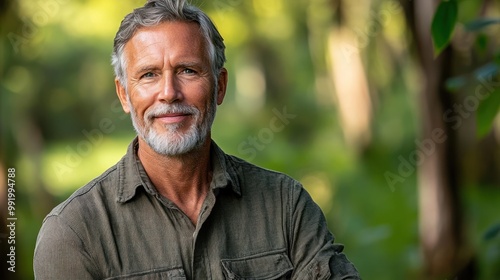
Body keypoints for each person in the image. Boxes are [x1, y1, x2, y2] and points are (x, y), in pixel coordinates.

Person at [34, 0, 360, 279]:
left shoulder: (285, 206)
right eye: (149, 75)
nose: (169, 93)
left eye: (188, 70)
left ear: (219, 86)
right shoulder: (73, 233)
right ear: (123, 94)